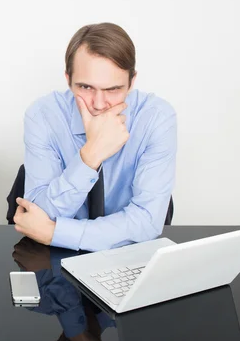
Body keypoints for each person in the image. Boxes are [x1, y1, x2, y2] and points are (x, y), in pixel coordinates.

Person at [14, 23, 177, 251]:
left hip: (127, 256)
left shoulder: (156, 118)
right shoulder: (42, 116)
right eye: (86, 87)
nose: (99, 105)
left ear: (132, 82)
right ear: (68, 78)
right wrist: (92, 155)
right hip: (52, 258)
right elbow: (37, 213)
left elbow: (146, 222)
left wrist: (54, 232)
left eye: (113, 89)